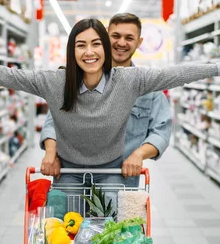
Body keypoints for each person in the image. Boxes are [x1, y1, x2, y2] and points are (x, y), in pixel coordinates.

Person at [0, 18, 220, 178]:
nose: (89, 51)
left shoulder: (130, 80)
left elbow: (177, 73)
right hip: (67, 175)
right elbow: (6, 75)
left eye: (96, 44)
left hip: (117, 176)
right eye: (81, 45)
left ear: (106, 49)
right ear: (72, 51)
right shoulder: (55, 82)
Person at [39, 13, 171, 187]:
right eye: (115, 36)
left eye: (129, 38)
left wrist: (139, 154)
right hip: (72, 174)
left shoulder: (148, 89)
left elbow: (161, 131)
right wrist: (51, 151)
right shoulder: (74, 81)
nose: (121, 43)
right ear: (105, 39)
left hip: (119, 181)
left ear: (139, 43)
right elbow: (53, 122)